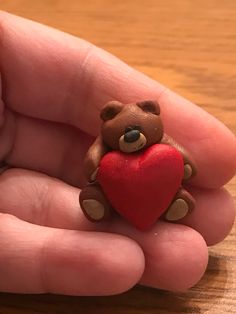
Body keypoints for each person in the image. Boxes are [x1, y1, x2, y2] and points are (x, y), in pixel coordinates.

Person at [0, 11, 235, 296]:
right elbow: (93, 159)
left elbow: (179, 153)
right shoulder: (105, 142)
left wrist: (183, 163)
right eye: (125, 131)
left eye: (138, 129)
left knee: (166, 167)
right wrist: (95, 166)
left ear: (152, 114)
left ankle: (173, 201)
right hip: (115, 182)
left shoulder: (161, 144)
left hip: (156, 177)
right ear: (108, 120)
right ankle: (99, 201)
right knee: (105, 186)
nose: (132, 136)